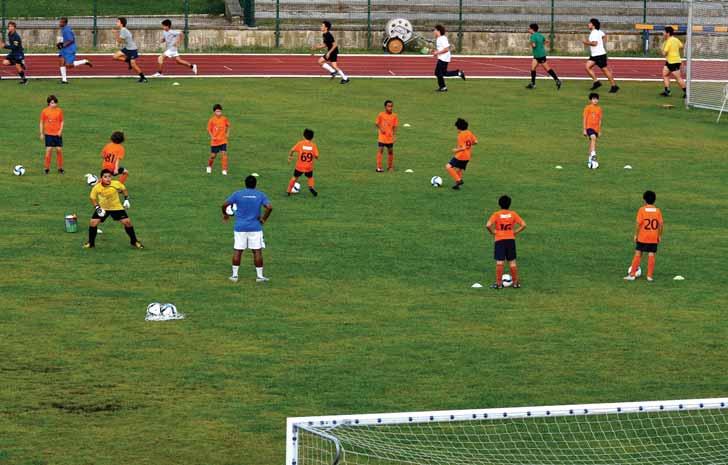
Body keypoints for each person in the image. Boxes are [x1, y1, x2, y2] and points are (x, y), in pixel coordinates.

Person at [222, 175, 272, 282]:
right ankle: (259, 277)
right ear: (255, 184)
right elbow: (269, 207)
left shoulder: (238, 194)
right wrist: (263, 219)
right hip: (255, 227)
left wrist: (225, 214)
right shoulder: (260, 195)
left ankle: (234, 276)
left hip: (240, 227)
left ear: (245, 183)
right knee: (257, 251)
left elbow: (225, 204)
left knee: (238, 250)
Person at [83, 169, 143, 249]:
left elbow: (123, 189)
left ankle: (134, 241)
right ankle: (91, 243)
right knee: (93, 222)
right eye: (105, 177)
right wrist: (97, 208)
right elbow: (92, 198)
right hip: (103, 208)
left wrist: (126, 199)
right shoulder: (97, 187)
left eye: (109, 176)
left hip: (116, 207)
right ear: (101, 178)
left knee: (127, 222)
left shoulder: (116, 184)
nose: (108, 178)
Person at [486, 195, 526, 289]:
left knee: (500, 262)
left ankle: (499, 284)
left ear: (499, 204)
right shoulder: (513, 214)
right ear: (509, 204)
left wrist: (493, 232)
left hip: (499, 239)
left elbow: (488, 225)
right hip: (510, 239)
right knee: (512, 262)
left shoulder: (496, 214)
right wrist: (515, 232)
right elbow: (524, 225)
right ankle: (516, 283)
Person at [625, 190, 663, 282]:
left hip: (643, 236)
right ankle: (649, 276)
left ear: (644, 200)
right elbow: (661, 224)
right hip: (653, 237)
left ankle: (632, 275)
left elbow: (638, 224)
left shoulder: (642, 210)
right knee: (651, 254)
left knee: (638, 253)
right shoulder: (657, 211)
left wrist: (636, 235)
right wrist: (659, 235)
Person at [583, 18, 619, 93]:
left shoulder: (594, 33)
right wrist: (602, 44)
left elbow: (594, 43)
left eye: (589, 23)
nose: (588, 25)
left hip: (600, 55)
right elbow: (604, 36)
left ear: (593, 25)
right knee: (587, 67)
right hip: (594, 55)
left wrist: (586, 43)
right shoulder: (598, 31)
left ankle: (614, 86)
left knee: (605, 71)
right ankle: (596, 82)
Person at [57, 17, 93, 84]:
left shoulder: (66, 30)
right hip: (64, 49)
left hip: (70, 49)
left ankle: (84, 61)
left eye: (61, 22)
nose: (59, 23)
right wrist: (61, 43)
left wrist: (63, 45)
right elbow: (67, 39)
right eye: (60, 22)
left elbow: (71, 40)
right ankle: (64, 80)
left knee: (68, 65)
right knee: (61, 61)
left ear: (64, 23)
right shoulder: (63, 29)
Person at [526, 23, 561, 90]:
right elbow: (547, 41)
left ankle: (557, 80)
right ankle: (533, 84)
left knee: (547, 68)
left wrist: (531, 43)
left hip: (539, 55)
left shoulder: (532, 36)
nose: (528, 30)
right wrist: (541, 45)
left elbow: (534, 45)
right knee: (533, 68)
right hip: (538, 55)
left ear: (532, 29)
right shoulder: (540, 35)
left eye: (529, 29)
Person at [445, 118, 478, 190]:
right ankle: (457, 185)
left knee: (448, 166)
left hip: (461, 155)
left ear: (459, 128)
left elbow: (463, 148)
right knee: (460, 169)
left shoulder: (460, 135)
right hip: (468, 156)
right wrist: (469, 144)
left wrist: (455, 150)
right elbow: (475, 142)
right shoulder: (469, 132)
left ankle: (459, 180)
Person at [432, 25, 465, 92]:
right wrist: (436, 52)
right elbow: (441, 49)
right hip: (442, 58)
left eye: (434, 30)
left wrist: (437, 53)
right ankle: (458, 73)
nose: (433, 31)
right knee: (440, 73)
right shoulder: (439, 38)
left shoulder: (443, 38)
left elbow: (446, 49)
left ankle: (443, 87)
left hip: (444, 59)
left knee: (439, 73)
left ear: (438, 31)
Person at [113, 17, 147, 83]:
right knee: (115, 56)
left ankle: (143, 78)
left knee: (133, 65)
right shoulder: (123, 30)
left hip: (132, 50)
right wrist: (117, 33)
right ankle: (128, 60)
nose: (116, 23)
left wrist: (115, 33)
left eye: (118, 22)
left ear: (121, 23)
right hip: (127, 48)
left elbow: (119, 41)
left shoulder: (123, 30)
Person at [287, 128, 319, 196]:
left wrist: (290, 156)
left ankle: (289, 190)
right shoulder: (313, 145)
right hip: (308, 167)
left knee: (295, 177)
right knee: (310, 177)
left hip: (299, 166)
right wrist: (315, 157)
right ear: (312, 138)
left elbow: (292, 150)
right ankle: (311, 186)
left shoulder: (300, 144)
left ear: (304, 136)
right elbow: (316, 156)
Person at [40, 95, 64, 174]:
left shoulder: (59, 111)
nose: (54, 104)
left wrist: (60, 130)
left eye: (55, 103)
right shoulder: (44, 111)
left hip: (57, 134)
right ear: (49, 103)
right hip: (49, 134)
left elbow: (62, 121)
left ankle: (60, 168)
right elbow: (41, 122)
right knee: (49, 150)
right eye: (52, 103)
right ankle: (46, 168)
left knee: (59, 150)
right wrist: (41, 133)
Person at [660, 26, 686, 97]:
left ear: (667, 33)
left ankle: (686, 93)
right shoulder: (675, 39)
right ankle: (667, 91)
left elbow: (664, 53)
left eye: (664, 32)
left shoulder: (669, 41)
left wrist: (662, 50)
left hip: (673, 62)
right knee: (665, 74)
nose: (663, 33)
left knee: (678, 78)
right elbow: (681, 46)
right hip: (669, 61)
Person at [375, 100, 399, 172]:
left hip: (389, 137)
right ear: (385, 107)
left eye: (391, 106)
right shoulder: (381, 115)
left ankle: (390, 167)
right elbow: (377, 123)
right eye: (389, 106)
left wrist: (394, 136)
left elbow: (395, 126)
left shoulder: (394, 116)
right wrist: (381, 128)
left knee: (390, 151)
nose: (390, 108)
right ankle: (378, 167)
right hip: (382, 137)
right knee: (380, 150)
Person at [207, 104, 230, 175]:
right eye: (217, 111)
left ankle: (224, 170)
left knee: (224, 153)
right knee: (213, 155)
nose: (219, 113)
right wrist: (212, 136)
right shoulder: (212, 120)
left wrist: (227, 134)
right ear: (214, 112)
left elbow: (228, 126)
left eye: (220, 111)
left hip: (223, 140)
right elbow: (209, 129)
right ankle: (209, 166)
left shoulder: (224, 119)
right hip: (215, 141)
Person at [582, 92, 602, 168]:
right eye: (594, 99)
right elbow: (585, 118)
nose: (595, 100)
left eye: (596, 99)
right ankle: (593, 155)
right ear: (591, 100)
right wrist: (584, 129)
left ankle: (590, 160)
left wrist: (599, 130)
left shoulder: (599, 109)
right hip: (589, 127)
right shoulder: (588, 108)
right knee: (593, 138)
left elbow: (600, 120)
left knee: (592, 143)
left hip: (596, 129)